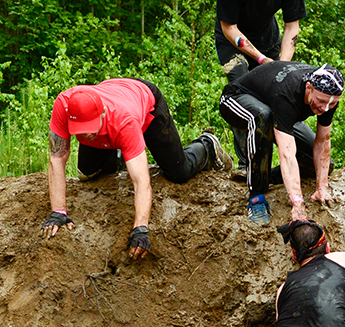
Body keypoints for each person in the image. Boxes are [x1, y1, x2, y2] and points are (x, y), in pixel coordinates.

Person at [42, 79, 229, 258]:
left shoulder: (125, 121)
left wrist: (141, 228)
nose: (88, 134)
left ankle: (207, 146)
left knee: (179, 171)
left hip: (146, 102)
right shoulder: (64, 105)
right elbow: (57, 157)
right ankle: (122, 153)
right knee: (88, 173)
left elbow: (141, 181)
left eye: (91, 128)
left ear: (103, 113)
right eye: (81, 130)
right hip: (115, 94)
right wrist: (58, 212)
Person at [219, 62, 344, 225]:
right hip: (236, 99)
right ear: (309, 88)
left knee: (322, 164)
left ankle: (266, 176)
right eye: (320, 101)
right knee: (263, 117)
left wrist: (322, 187)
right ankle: (256, 195)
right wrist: (297, 202)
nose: (325, 108)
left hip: (275, 107)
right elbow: (287, 153)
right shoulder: (287, 92)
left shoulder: (329, 94)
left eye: (332, 104)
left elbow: (322, 141)